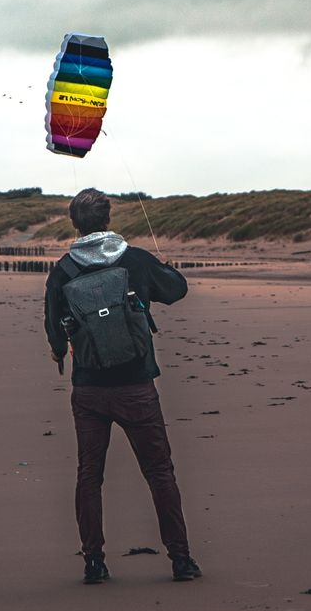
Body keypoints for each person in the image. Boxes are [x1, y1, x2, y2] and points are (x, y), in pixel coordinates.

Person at [44, 188, 202, 584]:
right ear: (108, 219)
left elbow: (53, 329)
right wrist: (162, 268)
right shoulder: (134, 259)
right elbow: (177, 290)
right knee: (159, 472)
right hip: (136, 386)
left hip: (90, 390)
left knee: (89, 476)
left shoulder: (64, 269)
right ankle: (181, 560)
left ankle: (93, 563)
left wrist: (59, 350)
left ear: (74, 222)